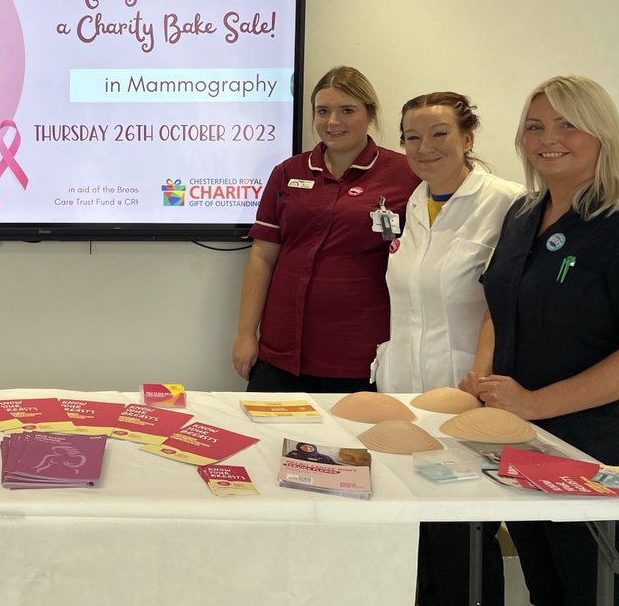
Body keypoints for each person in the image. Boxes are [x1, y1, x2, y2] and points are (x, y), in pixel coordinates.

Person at [463, 75, 619, 606]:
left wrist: (533, 403)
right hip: (521, 441)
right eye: (534, 126)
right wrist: (483, 377)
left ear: (601, 132)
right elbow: (500, 301)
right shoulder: (523, 214)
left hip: (595, 450)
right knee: (544, 586)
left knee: (589, 587)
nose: (548, 137)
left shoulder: (614, 222)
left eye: (567, 124)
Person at [377, 92, 523, 606]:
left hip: (468, 395)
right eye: (412, 137)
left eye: (439, 134)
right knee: (413, 534)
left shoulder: (509, 202)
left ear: (467, 138)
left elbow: (510, 301)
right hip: (404, 397)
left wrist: (481, 377)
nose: (424, 147)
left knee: (464, 537)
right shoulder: (412, 203)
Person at [232, 66, 418, 392]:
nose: (333, 122)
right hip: (282, 352)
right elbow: (262, 256)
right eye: (323, 111)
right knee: (268, 439)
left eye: (347, 110)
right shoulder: (287, 172)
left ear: (370, 114)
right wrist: (246, 334)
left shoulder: (405, 174)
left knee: (348, 443)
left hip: (359, 353)